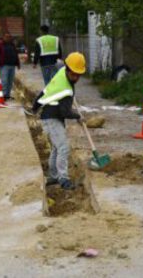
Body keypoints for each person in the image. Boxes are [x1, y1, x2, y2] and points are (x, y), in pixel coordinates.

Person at [30, 52, 86, 190]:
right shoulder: (66, 90)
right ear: (67, 69)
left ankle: (54, 176)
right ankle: (63, 179)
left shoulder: (61, 72)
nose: (76, 78)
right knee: (63, 147)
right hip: (52, 118)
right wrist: (78, 116)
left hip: (49, 116)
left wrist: (36, 105)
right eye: (73, 74)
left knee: (56, 148)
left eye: (78, 75)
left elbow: (47, 89)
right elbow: (65, 112)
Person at [0, 32, 20, 100]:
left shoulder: (12, 44)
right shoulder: (0, 44)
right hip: (4, 66)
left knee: (10, 81)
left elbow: (15, 54)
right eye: (6, 37)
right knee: (4, 81)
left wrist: (18, 64)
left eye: (9, 37)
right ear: (3, 37)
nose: (8, 38)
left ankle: (7, 95)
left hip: (12, 65)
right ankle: (3, 95)